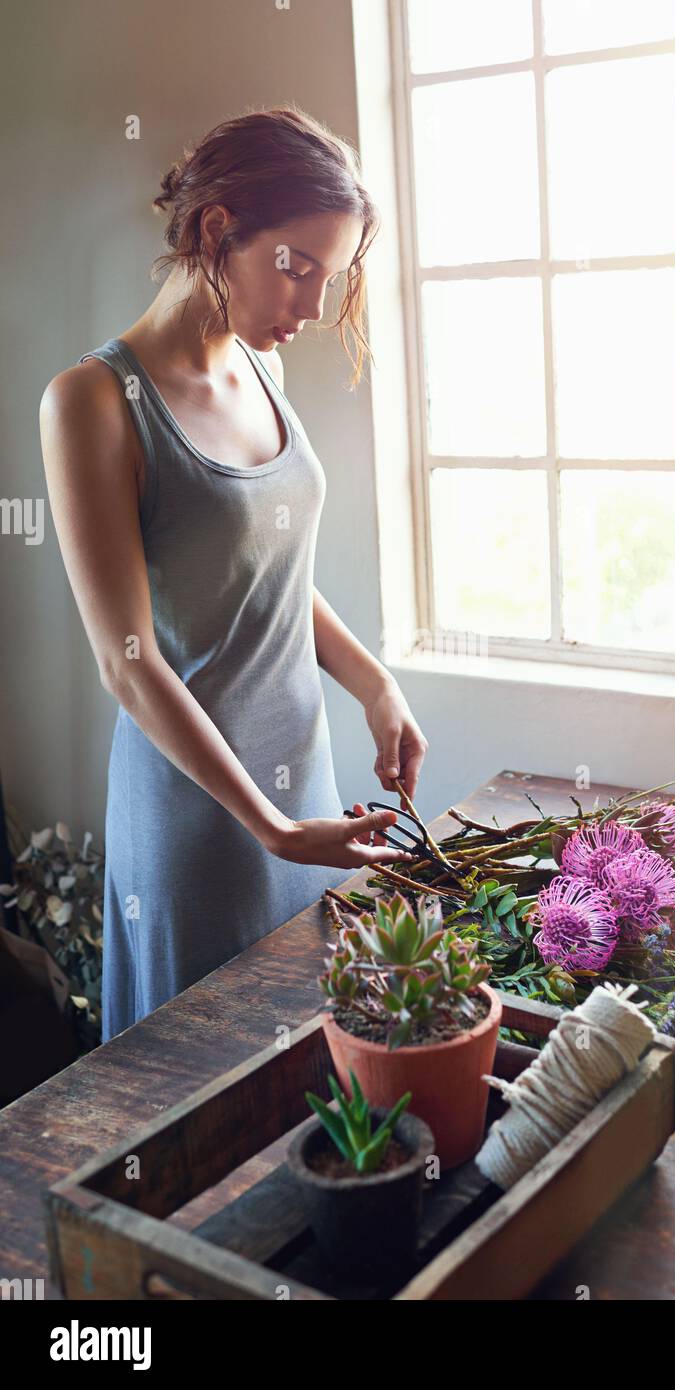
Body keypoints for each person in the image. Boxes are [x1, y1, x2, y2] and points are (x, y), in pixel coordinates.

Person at [39, 105, 428, 1043]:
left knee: (312, 1079)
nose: (311, 307)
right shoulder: (92, 402)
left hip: (304, 788)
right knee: (197, 1098)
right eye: (298, 267)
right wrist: (270, 829)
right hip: (202, 818)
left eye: (329, 279)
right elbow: (127, 661)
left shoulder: (263, 372)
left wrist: (374, 685)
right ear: (218, 230)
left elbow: (269, 578)